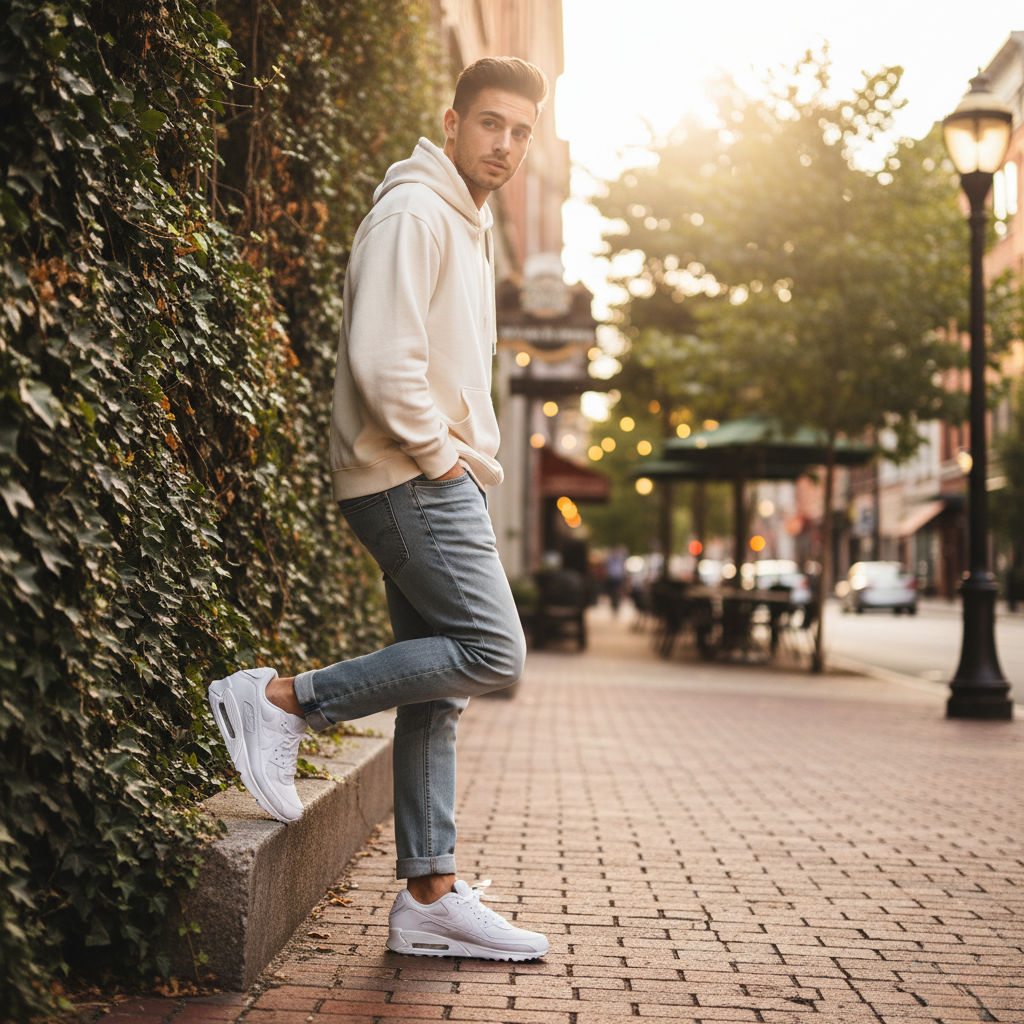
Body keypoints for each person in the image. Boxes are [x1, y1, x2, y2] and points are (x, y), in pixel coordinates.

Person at [207, 57, 550, 962]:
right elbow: (382, 358)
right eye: (490, 124)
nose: (505, 144)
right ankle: (282, 700)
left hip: (431, 475)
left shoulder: (463, 219)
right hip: (413, 477)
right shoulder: (414, 212)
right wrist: (443, 459)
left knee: (438, 690)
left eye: (521, 131)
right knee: (494, 650)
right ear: (453, 122)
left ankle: (429, 895)